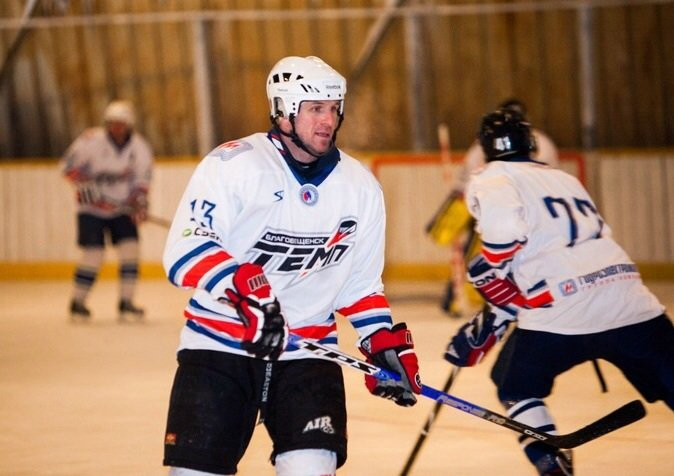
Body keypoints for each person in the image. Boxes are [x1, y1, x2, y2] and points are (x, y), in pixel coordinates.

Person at [161, 55, 422, 476]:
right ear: (283, 110)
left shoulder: (361, 189)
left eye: (334, 108)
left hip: (308, 352)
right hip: (220, 346)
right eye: (315, 108)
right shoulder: (234, 165)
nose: (328, 120)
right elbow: (184, 249)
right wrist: (243, 288)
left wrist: (381, 341)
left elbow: (360, 284)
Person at [443, 109, 674, 475]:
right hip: (629, 298)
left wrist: (488, 315)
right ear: (530, 143)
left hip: (562, 309)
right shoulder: (563, 178)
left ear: (485, 148)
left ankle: (550, 461)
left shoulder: (491, 177)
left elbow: (505, 240)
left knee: (514, 386)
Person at [427, 98, 559, 317]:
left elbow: (475, 178)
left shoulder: (498, 144)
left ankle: (489, 300)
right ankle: (463, 298)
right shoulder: (542, 143)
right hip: (523, 210)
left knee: (488, 256)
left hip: (508, 207)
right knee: (485, 254)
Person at [61, 100, 153, 322]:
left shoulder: (140, 147)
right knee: (93, 254)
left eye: (121, 124)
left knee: (130, 250)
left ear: (129, 124)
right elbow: (67, 167)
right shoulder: (90, 141)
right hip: (91, 210)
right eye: (112, 123)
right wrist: (87, 189)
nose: (116, 128)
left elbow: (142, 181)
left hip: (122, 209)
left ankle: (126, 303)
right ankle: (78, 303)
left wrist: (139, 203)